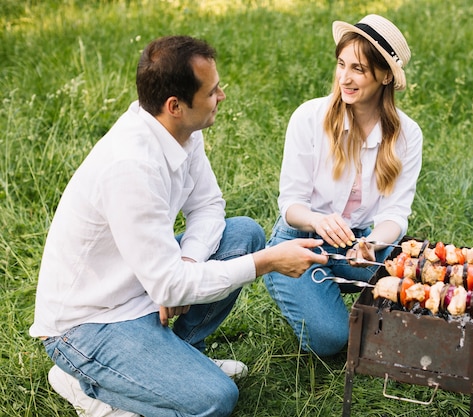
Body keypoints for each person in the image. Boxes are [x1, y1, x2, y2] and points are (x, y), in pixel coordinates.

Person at [30, 35, 327, 417]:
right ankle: (88, 385)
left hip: (140, 283)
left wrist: (188, 260)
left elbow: (208, 206)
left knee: (244, 234)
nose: (222, 96)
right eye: (212, 90)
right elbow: (168, 286)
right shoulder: (131, 167)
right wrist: (267, 262)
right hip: (89, 323)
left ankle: (177, 364)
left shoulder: (181, 131)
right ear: (175, 106)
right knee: (215, 399)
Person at [263, 15, 423, 357]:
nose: (345, 78)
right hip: (301, 240)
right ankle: (292, 281)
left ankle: (329, 288)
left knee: (410, 272)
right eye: (341, 64)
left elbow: (396, 212)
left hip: (358, 241)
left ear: (384, 76)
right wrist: (318, 220)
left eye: (358, 69)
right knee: (333, 340)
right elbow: (291, 205)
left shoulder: (408, 135)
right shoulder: (309, 118)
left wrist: (372, 243)